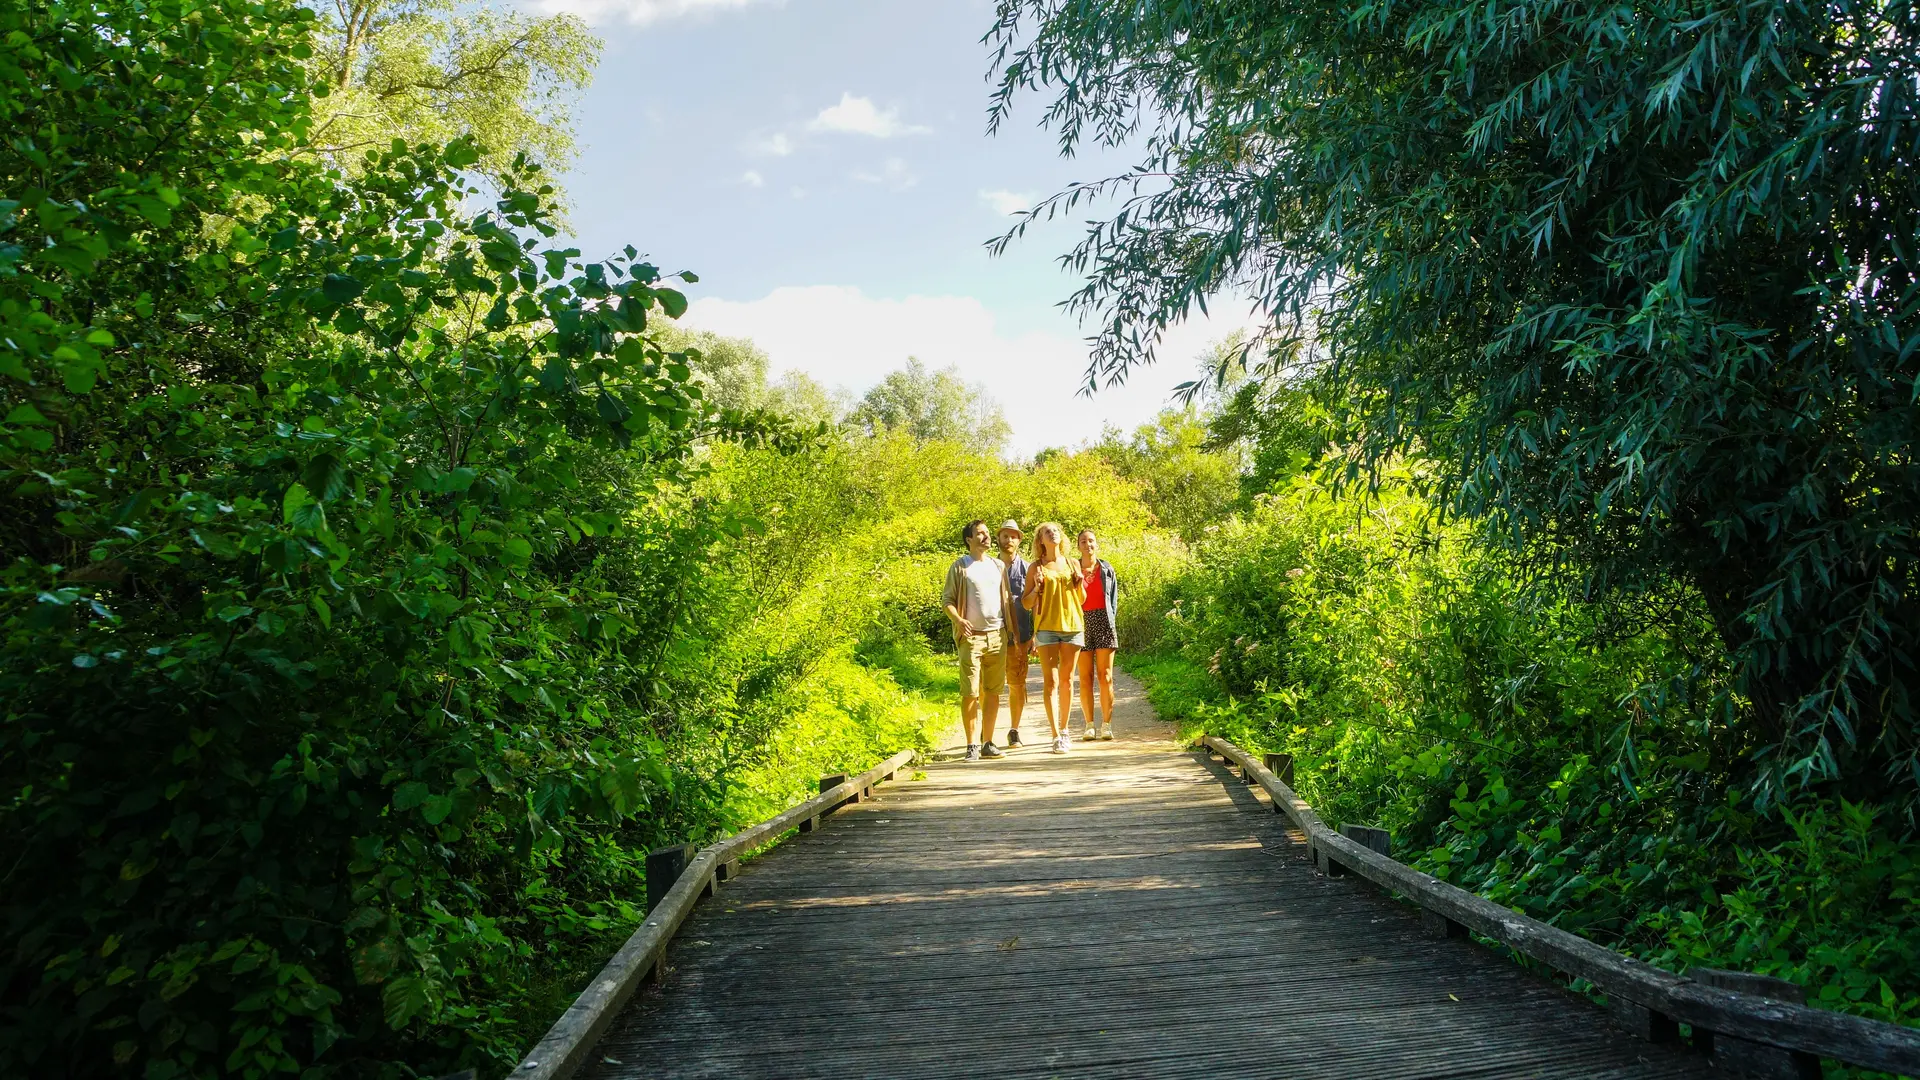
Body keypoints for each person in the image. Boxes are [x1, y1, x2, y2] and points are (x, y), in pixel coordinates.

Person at [942, 519, 1011, 761]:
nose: (986, 536)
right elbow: (947, 601)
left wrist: (1010, 630)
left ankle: (987, 742)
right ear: (969, 539)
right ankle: (971, 744)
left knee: (993, 692)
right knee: (970, 692)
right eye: (980, 533)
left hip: (997, 635)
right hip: (971, 638)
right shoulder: (960, 567)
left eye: (987, 532)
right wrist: (959, 620)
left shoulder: (998, 566)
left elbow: (1006, 600)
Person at [1020, 521, 1085, 754]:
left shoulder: (1072, 563)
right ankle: (1055, 734)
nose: (1053, 533)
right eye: (1047, 532)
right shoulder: (1035, 567)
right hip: (1046, 628)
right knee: (1051, 682)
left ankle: (1065, 730)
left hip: (1072, 626)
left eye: (1055, 530)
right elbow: (1026, 603)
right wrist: (1037, 587)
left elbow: (1082, 599)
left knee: (1067, 681)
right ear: (1040, 540)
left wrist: (1079, 583)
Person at [1074, 529, 1120, 741]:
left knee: (1105, 675)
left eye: (1091, 541)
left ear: (1097, 544)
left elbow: (1113, 600)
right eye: (1083, 541)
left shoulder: (1107, 569)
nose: (1088, 544)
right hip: (1080, 622)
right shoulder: (1072, 568)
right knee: (1085, 677)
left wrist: (1111, 623)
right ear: (1078, 546)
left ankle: (1106, 725)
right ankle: (1089, 725)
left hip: (1103, 620)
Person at [995, 520, 1032, 747]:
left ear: (1019, 540)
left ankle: (1014, 730)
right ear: (998, 539)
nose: (1009, 540)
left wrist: (1035, 635)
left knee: (1017, 684)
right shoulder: (988, 566)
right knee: (987, 686)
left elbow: (1037, 604)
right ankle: (986, 732)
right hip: (992, 634)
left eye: (1013, 536)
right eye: (1005, 536)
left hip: (1019, 637)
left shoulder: (1028, 569)